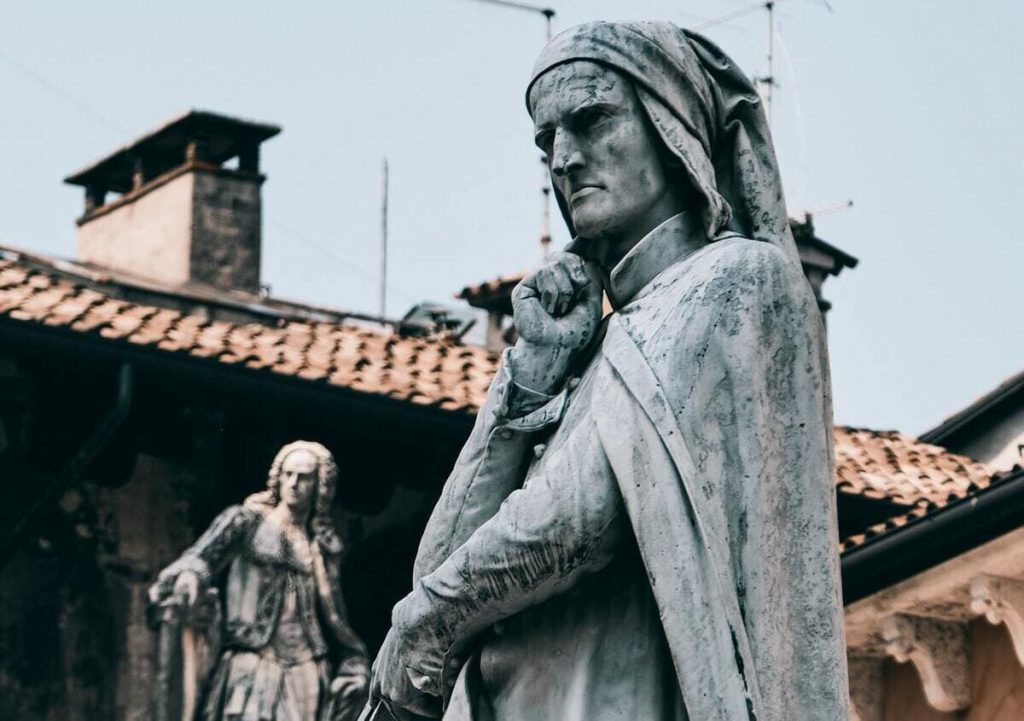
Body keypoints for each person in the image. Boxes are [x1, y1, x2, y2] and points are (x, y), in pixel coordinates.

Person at [368, 21, 848, 721]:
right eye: (547, 140)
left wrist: (431, 617)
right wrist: (529, 377)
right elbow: (436, 564)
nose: (563, 158)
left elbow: (583, 513)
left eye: (590, 120)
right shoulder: (593, 348)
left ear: (670, 126)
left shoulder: (733, 280)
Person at [150, 441, 370, 721]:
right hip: (252, 659)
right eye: (288, 474)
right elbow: (201, 557)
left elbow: (334, 617)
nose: (293, 483)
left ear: (320, 486)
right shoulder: (245, 521)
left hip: (306, 666)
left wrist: (354, 663)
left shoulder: (321, 546)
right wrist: (192, 575)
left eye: (304, 477)